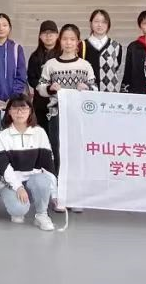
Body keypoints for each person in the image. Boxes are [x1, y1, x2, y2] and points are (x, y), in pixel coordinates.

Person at [36, 24, 94, 176]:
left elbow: (95, 88)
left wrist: (87, 87)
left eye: (72, 39)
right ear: (60, 41)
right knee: (57, 149)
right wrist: (50, 88)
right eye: (65, 39)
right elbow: (40, 87)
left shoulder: (85, 65)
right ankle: (58, 182)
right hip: (56, 114)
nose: (68, 43)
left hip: (79, 115)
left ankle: (77, 181)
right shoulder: (51, 64)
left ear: (78, 42)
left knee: (78, 148)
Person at [0, 94, 56, 231]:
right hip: (12, 183)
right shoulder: (3, 136)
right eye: (15, 108)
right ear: (9, 112)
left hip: (33, 180)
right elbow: (4, 167)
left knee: (42, 180)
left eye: (24, 108)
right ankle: (19, 204)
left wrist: (55, 193)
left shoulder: (39, 133)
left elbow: (48, 165)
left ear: (30, 111)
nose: (19, 112)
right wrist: (18, 187)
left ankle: (41, 214)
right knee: (18, 212)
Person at [0, 13, 27, 154]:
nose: (1, 28)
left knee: (12, 139)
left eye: (4, 25)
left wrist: (11, 100)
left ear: (9, 28)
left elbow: (21, 76)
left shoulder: (16, 48)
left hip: (12, 104)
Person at [25, 21, 60, 126]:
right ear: (40, 36)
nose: (48, 36)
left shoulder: (63, 55)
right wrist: (43, 87)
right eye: (45, 33)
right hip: (40, 103)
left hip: (59, 101)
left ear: (57, 35)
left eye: (51, 33)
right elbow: (31, 78)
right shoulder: (35, 56)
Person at [80, 10, 125, 92]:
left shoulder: (116, 46)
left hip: (109, 92)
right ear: (91, 23)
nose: (100, 25)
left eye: (104, 22)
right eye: (96, 21)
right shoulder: (82, 45)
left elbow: (115, 67)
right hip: (88, 91)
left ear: (108, 25)